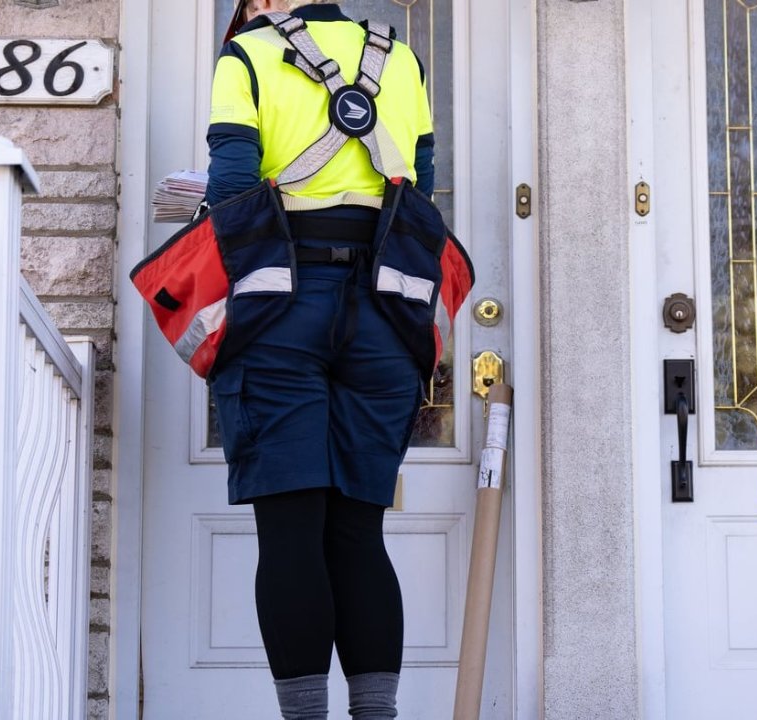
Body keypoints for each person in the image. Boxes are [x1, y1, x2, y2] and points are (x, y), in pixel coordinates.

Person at [205, 0, 437, 717]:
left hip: (281, 304)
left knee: (290, 531)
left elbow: (231, 190)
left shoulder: (246, 54)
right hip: (383, 306)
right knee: (359, 532)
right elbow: (419, 190)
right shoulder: (400, 59)